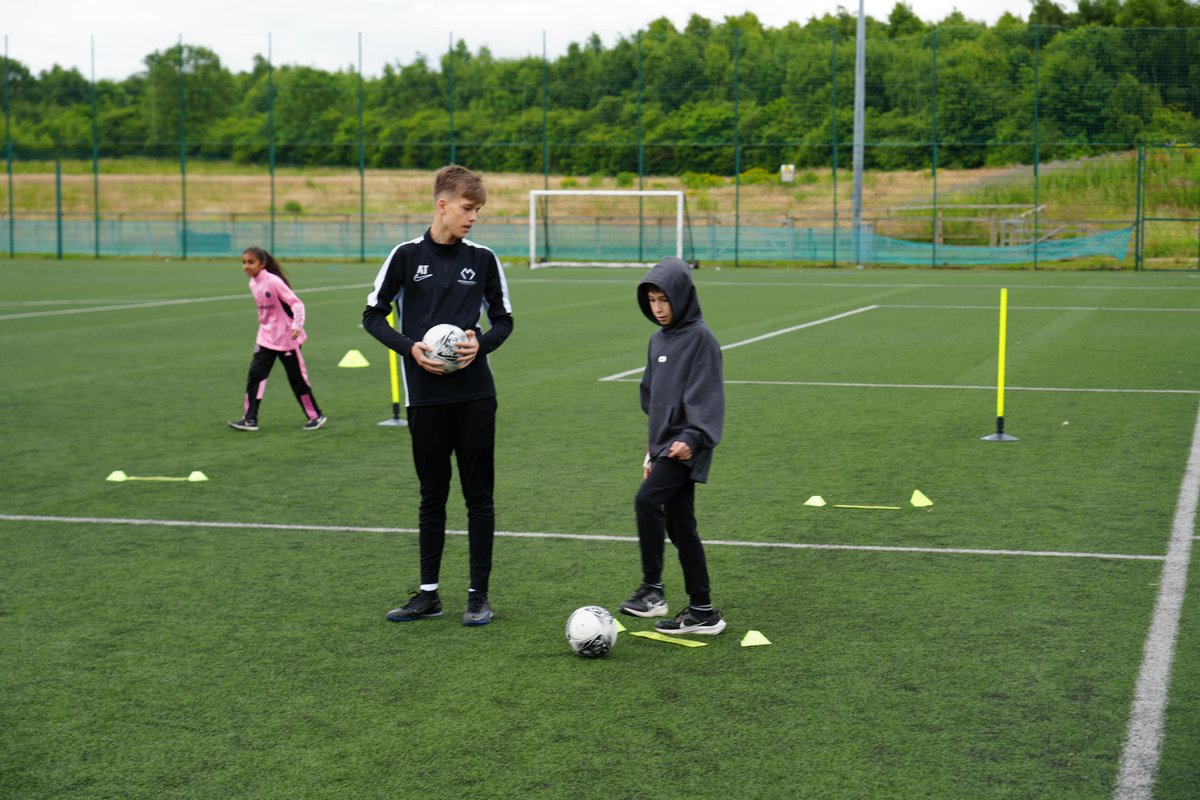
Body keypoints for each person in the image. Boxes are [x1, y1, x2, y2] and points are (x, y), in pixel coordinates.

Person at [362, 165, 514, 627]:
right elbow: (372, 316)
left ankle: (478, 597)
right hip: (425, 395)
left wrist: (479, 344)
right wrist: (409, 347)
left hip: (475, 395)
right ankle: (428, 595)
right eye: (468, 209)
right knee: (432, 495)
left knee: (478, 496)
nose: (473, 218)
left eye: (478, 210)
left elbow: (504, 320)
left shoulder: (484, 258)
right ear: (442, 205)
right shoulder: (406, 256)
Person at [619, 256, 726, 635]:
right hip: (664, 447)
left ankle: (652, 590)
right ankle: (703, 611)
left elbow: (708, 396)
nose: (659, 309)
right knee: (682, 529)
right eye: (651, 300)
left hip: (687, 446)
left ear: (681, 296)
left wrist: (691, 438)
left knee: (646, 501)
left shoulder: (701, 339)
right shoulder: (657, 340)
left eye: (664, 299)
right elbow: (653, 399)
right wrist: (653, 450)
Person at [228, 246, 326, 432]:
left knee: (297, 379)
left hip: (287, 339)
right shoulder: (253, 283)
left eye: (251, 262)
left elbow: (296, 303)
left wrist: (297, 325)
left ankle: (315, 416)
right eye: (244, 262)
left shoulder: (273, 281)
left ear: (262, 263)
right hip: (265, 338)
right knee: (255, 376)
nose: (246, 266)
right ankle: (249, 419)